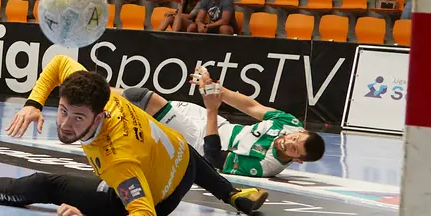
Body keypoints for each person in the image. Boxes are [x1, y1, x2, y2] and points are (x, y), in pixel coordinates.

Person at [0, 55, 268, 216]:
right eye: (62, 111)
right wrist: (33, 102)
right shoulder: (98, 93)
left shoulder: (117, 161)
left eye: (77, 118)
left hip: (158, 195)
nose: (64, 123)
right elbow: (60, 62)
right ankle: (234, 195)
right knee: (180, 147)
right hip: (180, 158)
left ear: (99, 118)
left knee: (44, 185)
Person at [118, 66, 326, 178]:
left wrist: (211, 110)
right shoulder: (289, 123)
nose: (289, 142)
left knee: (143, 98)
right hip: (220, 123)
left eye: (294, 149)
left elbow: (214, 158)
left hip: (202, 142)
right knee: (141, 107)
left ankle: (91, 91)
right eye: (295, 138)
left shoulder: (265, 166)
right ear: (300, 130)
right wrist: (213, 89)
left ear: (296, 160)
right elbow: (251, 107)